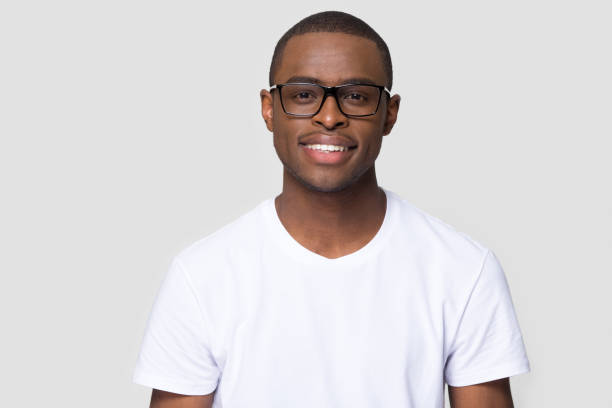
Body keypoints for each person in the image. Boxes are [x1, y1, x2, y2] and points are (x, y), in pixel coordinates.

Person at [132, 10, 530, 408]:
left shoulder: (463, 269)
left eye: (356, 96)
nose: (329, 116)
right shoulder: (201, 276)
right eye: (304, 94)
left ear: (389, 114)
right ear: (269, 109)